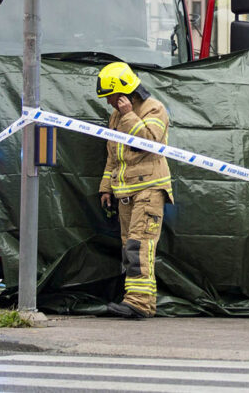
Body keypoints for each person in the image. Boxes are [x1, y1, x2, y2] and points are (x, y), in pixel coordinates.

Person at [96, 61, 171, 320]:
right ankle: (141, 302)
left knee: (140, 246)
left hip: (149, 190)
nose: (108, 103)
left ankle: (138, 302)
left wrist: (129, 116)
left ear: (125, 92)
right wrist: (106, 187)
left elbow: (150, 143)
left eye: (111, 97)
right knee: (131, 246)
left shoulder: (154, 109)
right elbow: (113, 155)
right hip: (125, 192)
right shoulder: (116, 115)